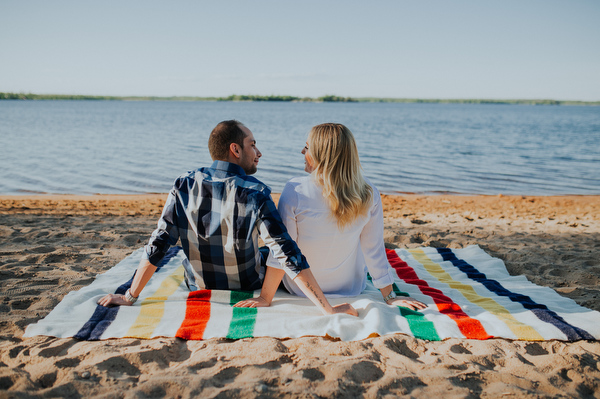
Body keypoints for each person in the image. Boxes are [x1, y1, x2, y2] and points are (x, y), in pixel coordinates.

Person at [98, 120, 357, 317]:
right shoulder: (256, 191)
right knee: (273, 248)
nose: (259, 152)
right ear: (235, 149)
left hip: (197, 283)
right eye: (252, 144)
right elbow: (286, 252)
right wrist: (328, 310)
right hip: (246, 283)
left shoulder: (184, 183)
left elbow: (161, 241)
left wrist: (130, 296)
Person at [235, 123, 427, 311]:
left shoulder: (295, 189)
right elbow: (373, 249)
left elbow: (283, 251)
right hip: (351, 287)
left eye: (308, 147)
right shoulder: (369, 192)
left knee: (270, 247)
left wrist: (265, 297)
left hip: (300, 289)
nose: (303, 151)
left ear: (322, 155)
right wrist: (390, 297)